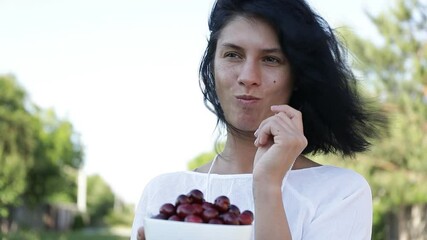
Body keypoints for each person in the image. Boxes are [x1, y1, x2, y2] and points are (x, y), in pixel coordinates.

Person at [130, 0, 386, 239]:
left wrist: (267, 187)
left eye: (271, 59)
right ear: (212, 66)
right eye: (233, 55)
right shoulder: (162, 193)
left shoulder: (340, 193)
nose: (248, 76)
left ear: (297, 77)